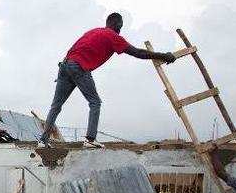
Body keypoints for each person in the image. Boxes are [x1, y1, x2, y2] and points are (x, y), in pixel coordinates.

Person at [41, 12, 177, 148]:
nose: (120, 29)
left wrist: (64, 72)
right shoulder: (113, 36)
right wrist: (164, 56)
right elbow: (138, 53)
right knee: (95, 102)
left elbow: (74, 48)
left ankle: (42, 141)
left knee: (56, 105)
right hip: (79, 67)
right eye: (121, 26)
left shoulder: (93, 31)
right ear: (117, 24)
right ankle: (90, 140)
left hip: (65, 65)